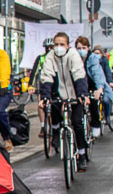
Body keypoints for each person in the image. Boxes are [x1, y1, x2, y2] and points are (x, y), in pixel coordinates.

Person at [38, 32, 90, 172]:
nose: (58, 47)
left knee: (77, 123)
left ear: (67, 46)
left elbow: (79, 74)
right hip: (59, 93)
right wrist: (45, 97)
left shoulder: (73, 55)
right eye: (56, 44)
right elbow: (47, 76)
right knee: (53, 109)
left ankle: (82, 155)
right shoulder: (50, 57)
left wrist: (82, 94)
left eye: (62, 44)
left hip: (75, 94)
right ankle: (55, 134)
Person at [75, 36, 111, 138]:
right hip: (80, 86)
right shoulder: (74, 58)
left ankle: (96, 124)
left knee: (93, 103)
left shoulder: (93, 59)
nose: (81, 50)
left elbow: (97, 73)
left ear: (88, 48)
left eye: (83, 48)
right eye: (79, 48)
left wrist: (99, 88)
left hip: (92, 85)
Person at [28, 36, 53, 138]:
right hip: (44, 85)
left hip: (55, 85)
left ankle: (55, 125)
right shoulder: (41, 58)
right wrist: (31, 85)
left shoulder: (58, 58)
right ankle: (43, 126)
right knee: (40, 105)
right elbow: (34, 72)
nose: (49, 50)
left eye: (51, 47)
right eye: (47, 48)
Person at [92, 44, 113, 121]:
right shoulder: (91, 61)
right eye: (95, 53)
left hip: (104, 83)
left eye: (98, 53)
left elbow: (107, 71)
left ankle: (107, 115)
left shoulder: (104, 60)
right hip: (94, 84)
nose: (96, 55)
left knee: (106, 100)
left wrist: (110, 81)